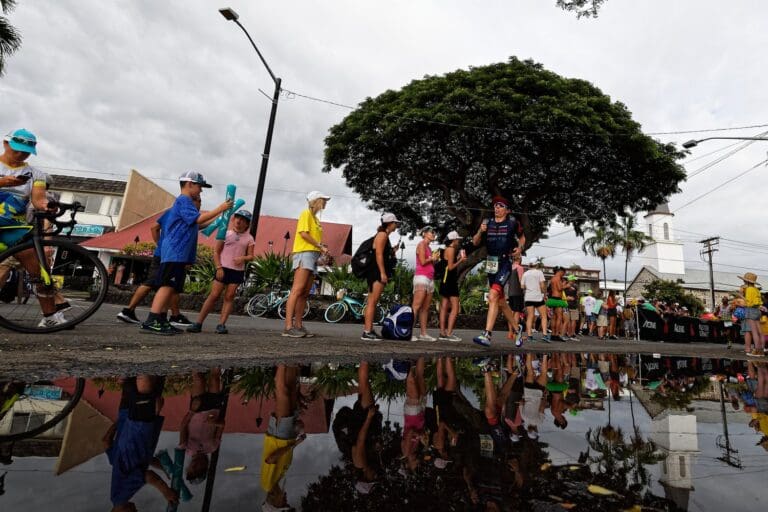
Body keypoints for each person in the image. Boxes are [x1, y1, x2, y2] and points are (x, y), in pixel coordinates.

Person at [140, 171, 232, 335]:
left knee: (172, 286)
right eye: (200, 187)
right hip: (175, 251)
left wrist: (220, 220)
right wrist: (220, 208)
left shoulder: (185, 203)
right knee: (167, 285)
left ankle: (161, 319)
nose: (201, 191)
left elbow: (198, 224)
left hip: (179, 253)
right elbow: (197, 220)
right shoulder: (184, 200)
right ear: (190, 184)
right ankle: (152, 319)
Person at [0, 129, 62, 326]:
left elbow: (38, 198)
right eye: (17, 150)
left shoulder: (36, 174)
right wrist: (3, 182)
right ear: (5, 144)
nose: (21, 154)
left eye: (26, 151)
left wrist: (46, 206)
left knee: (39, 272)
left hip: (14, 229)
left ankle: (50, 317)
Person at [117, 201, 200, 328]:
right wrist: (160, 245)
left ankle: (168, 316)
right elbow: (154, 227)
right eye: (197, 200)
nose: (199, 203)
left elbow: (156, 227)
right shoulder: (178, 211)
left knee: (171, 285)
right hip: (167, 254)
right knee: (155, 282)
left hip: (172, 254)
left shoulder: (180, 214)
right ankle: (130, 311)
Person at [103, 376, 177, 510]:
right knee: (136, 381)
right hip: (129, 418)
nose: (136, 510)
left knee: (146, 383)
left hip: (139, 429)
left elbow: (148, 476)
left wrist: (166, 492)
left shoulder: (121, 496)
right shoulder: (116, 468)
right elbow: (106, 442)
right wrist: (164, 468)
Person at [188, 210, 255, 334]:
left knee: (229, 297)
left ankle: (221, 325)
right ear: (233, 219)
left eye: (243, 220)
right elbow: (216, 252)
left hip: (237, 271)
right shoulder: (225, 233)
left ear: (247, 224)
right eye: (237, 218)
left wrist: (243, 258)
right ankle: (198, 323)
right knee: (214, 295)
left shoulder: (249, 238)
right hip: (223, 268)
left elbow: (251, 256)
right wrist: (218, 267)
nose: (239, 221)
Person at [471, 196, 525, 347]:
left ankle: (487, 334)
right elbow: (475, 242)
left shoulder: (513, 222)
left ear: (507, 210)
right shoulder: (487, 222)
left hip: (505, 263)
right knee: (500, 302)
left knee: (493, 295)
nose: (497, 208)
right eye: (495, 206)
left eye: (501, 206)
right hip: (490, 263)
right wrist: (480, 232)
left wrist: (519, 248)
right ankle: (517, 328)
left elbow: (522, 238)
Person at [283, 191, 330, 338]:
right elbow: (303, 234)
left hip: (313, 255)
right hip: (304, 253)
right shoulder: (306, 214)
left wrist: (321, 248)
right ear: (315, 200)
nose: (325, 202)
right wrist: (319, 245)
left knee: (304, 293)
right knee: (297, 290)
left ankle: (298, 325)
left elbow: (312, 238)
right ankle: (288, 327)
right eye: (323, 199)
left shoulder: (316, 219)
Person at [261, 365, 305, 511]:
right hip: (287, 436)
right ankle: (292, 361)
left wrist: (294, 444)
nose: (285, 500)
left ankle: (281, 361)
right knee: (292, 392)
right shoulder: (279, 479)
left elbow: (271, 458)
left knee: (283, 394)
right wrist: (297, 433)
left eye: (282, 504)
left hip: (278, 436)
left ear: (273, 502)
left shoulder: (267, 484)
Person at [179, 368, 226, 484]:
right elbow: (222, 425)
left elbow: (183, 426)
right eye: (197, 469)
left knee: (198, 379)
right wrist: (215, 423)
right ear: (204, 468)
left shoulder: (186, 448)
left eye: (191, 468)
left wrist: (192, 411)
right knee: (214, 379)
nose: (194, 466)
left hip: (197, 410)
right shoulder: (212, 447)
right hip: (213, 410)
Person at [360, 213, 399, 340]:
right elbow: (379, 255)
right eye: (395, 223)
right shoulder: (382, 235)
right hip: (376, 272)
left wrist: (392, 251)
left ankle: (369, 329)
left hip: (375, 271)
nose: (396, 225)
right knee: (372, 301)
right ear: (389, 224)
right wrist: (382, 273)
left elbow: (383, 253)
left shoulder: (383, 236)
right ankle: (367, 331)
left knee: (373, 301)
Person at [438, 231, 466, 341]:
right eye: (457, 239)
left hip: (445, 280)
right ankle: (449, 333)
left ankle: (442, 332)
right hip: (450, 280)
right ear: (453, 240)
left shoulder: (447, 250)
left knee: (444, 306)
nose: (458, 241)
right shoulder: (451, 249)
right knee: (455, 306)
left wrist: (457, 258)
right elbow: (450, 267)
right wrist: (460, 260)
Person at [411, 226, 438, 341]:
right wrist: (432, 258)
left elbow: (429, 262)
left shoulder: (429, 247)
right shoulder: (421, 245)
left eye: (434, 232)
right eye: (431, 232)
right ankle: (408, 332)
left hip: (430, 279)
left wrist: (434, 259)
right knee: (416, 306)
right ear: (424, 234)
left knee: (425, 308)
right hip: (421, 278)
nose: (434, 234)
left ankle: (423, 334)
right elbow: (422, 262)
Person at [739, 272, 765, 357]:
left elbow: (748, 302)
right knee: (760, 332)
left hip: (751, 310)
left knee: (754, 332)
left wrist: (740, 296)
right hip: (757, 310)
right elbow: (759, 302)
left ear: (746, 281)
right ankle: (762, 350)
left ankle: (757, 351)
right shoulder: (756, 290)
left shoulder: (749, 289)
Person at [522, 261, 548, 343]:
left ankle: (529, 336)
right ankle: (544, 335)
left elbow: (522, 286)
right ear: (536, 265)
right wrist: (544, 294)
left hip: (528, 297)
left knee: (530, 316)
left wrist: (530, 288)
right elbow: (542, 285)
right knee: (544, 316)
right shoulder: (539, 272)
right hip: (537, 297)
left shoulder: (525, 274)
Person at [506, 254, 525, 346]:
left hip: (510, 293)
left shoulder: (510, 267)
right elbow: (521, 281)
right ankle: (515, 333)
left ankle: (510, 333)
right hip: (518, 292)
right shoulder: (520, 268)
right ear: (520, 259)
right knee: (517, 312)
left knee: (511, 313)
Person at [545, 266, 568, 341]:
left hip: (552, 298)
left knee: (554, 317)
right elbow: (560, 288)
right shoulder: (558, 278)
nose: (563, 275)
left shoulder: (553, 278)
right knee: (559, 317)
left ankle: (553, 334)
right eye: (563, 273)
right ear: (560, 272)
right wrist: (566, 285)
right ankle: (556, 334)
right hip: (557, 299)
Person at [564, 275, 579, 341]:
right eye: (573, 280)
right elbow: (577, 296)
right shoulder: (575, 287)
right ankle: (572, 334)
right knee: (573, 320)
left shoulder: (564, 286)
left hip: (566, 304)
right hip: (573, 305)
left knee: (568, 320)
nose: (574, 281)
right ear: (571, 280)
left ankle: (569, 334)